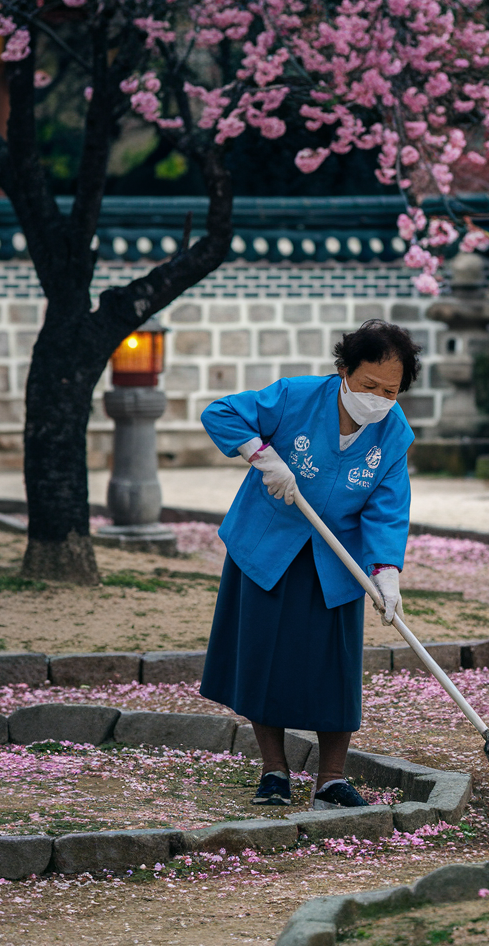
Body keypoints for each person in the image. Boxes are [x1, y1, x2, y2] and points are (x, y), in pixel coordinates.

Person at [199, 319, 420, 809]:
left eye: (390, 391)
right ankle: (274, 773)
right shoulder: (296, 397)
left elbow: (388, 505)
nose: (378, 399)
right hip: (268, 546)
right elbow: (221, 413)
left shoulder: (394, 432)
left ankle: (332, 779)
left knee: (334, 668)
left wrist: (387, 571)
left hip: (336, 558)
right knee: (265, 660)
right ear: (343, 369)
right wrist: (262, 456)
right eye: (368, 385)